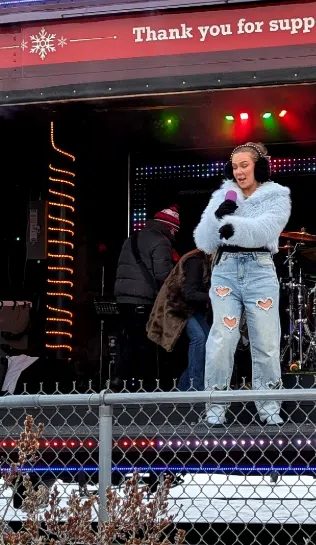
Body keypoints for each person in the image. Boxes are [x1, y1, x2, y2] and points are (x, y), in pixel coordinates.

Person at [194, 142, 291, 425]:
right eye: (235, 166)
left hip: (259, 269)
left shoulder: (277, 196)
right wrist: (217, 217)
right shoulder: (224, 194)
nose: (239, 172)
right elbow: (204, 240)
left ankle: (270, 409)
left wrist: (233, 226)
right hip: (225, 270)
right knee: (222, 339)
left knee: (266, 341)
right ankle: (214, 409)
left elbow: (265, 230)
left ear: (259, 166)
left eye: (244, 165)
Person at [112, 205, 180, 390]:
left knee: (127, 340)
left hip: (123, 298)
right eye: (175, 229)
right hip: (142, 299)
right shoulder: (161, 241)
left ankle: (119, 381)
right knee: (145, 344)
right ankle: (147, 386)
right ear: (169, 226)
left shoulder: (131, 238)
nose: (175, 233)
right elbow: (163, 275)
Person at [146, 249, 212, 391]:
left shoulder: (203, 260)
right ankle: (195, 386)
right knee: (199, 337)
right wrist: (214, 296)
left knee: (208, 339)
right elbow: (190, 293)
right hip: (175, 306)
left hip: (189, 308)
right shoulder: (196, 261)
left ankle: (184, 386)